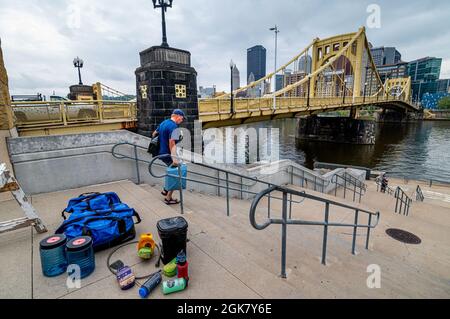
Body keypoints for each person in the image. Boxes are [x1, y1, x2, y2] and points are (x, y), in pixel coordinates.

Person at [152, 109, 185, 205]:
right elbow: (172, 142)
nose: (181, 121)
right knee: (177, 173)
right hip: (168, 153)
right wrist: (174, 158)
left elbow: (154, 134)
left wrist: (162, 142)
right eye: (182, 118)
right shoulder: (173, 126)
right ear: (178, 116)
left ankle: (165, 190)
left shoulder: (164, 122)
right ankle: (168, 198)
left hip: (161, 152)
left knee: (171, 171)